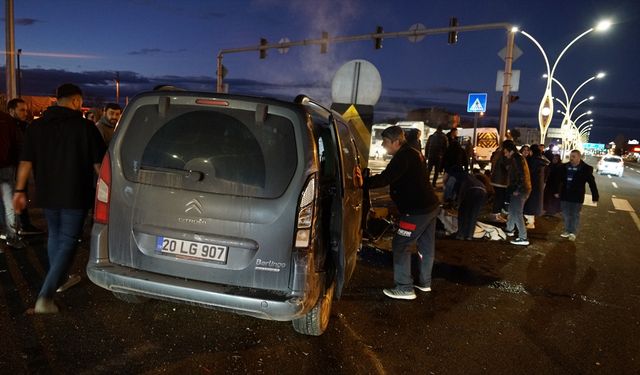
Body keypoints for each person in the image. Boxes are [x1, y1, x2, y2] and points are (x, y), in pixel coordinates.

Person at [13, 83, 106, 313]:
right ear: (76, 101)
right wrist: (109, 191)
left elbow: (26, 161)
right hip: (75, 193)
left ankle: (59, 278)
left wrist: (20, 191)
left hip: (47, 193)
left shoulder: (36, 126)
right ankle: (45, 296)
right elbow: (99, 166)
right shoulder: (86, 127)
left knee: (55, 235)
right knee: (68, 240)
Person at [361, 126, 440, 300]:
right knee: (426, 246)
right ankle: (424, 283)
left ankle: (405, 288)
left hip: (417, 211)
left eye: (386, 142)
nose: (383, 145)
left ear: (396, 141)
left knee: (400, 244)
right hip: (430, 207)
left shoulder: (403, 156)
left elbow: (386, 178)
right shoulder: (413, 152)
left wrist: (362, 183)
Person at [7, 98, 45, 236]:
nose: (25, 113)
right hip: (11, 166)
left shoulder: (25, 126)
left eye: (26, 110)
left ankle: (23, 225)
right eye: (21, 110)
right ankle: (16, 228)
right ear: (12, 110)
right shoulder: (8, 127)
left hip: (19, 166)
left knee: (20, 195)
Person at [555, 150, 599, 241]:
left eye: (574, 156)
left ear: (579, 157)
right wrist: (556, 191)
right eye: (571, 156)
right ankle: (567, 230)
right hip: (565, 195)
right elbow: (558, 181)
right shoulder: (564, 167)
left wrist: (595, 196)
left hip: (577, 196)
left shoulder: (586, 169)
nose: (571, 158)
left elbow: (592, 183)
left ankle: (573, 232)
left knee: (575, 214)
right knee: (566, 214)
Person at [503, 140, 531, 246]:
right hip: (520, 189)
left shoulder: (516, 159)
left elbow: (521, 175)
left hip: (520, 190)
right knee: (512, 210)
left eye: (505, 152)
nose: (505, 154)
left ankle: (523, 237)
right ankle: (509, 229)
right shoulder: (517, 158)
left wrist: (517, 189)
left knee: (517, 212)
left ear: (510, 151)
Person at [0, 111, 22, 248]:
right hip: (6, 166)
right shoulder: (6, 119)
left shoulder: (6, 119)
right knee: (9, 204)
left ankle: (12, 235)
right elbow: (17, 142)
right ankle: (12, 237)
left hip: (6, 165)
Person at [523, 144, 550, 229]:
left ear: (532, 151)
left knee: (528, 204)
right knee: (533, 204)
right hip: (539, 185)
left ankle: (530, 223)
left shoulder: (532, 160)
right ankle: (530, 222)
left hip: (531, 184)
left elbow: (528, 173)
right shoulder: (543, 160)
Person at [455, 172, 487, 240]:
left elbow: (462, 192)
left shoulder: (463, 179)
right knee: (473, 215)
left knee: (463, 214)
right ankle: (469, 235)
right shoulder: (473, 179)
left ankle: (461, 234)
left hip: (471, 191)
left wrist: (459, 204)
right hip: (482, 192)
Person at [489, 146, 508, 223]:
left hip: (496, 180)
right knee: (499, 198)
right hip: (501, 181)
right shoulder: (503, 155)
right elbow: (506, 167)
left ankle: (496, 214)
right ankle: (495, 215)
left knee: (498, 197)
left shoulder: (496, 154)